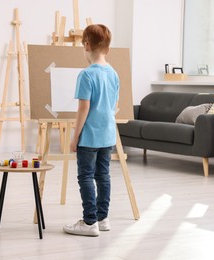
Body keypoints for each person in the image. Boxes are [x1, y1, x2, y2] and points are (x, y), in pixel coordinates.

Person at [63, 24, 120, 237]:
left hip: (89, 136)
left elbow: (83, 108)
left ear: (87, 45)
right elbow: (114, 105)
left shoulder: (86, 75)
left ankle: (89, 222)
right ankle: (102, 218)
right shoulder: (113, 73)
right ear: (107, 47)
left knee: (85, 176)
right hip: (108, 135)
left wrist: (74, 136)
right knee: (103, 175)